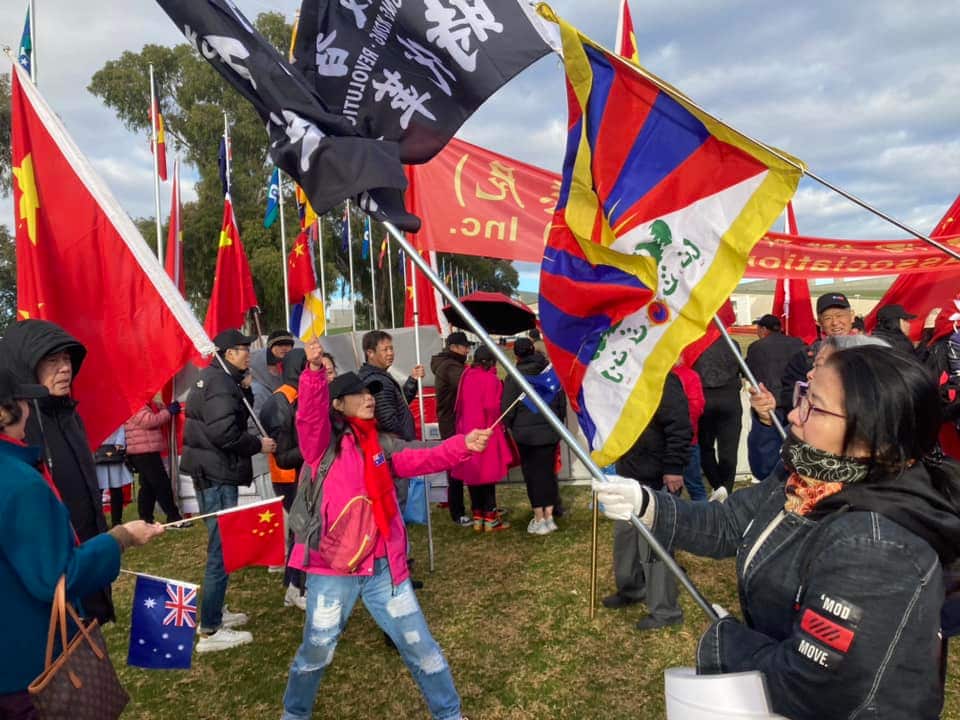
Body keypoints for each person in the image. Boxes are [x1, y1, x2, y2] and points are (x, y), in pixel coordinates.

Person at [595, 346, 960, 719]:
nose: (794, 415)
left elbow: (813, 685)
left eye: (814, 407)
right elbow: (731, 523)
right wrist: (648, 505)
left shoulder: (874, 548)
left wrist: (728, 642)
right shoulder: (806, 475)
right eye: (804, 393)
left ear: (876, 438)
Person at [281, 342, 490, 720]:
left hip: (384, 570)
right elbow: (308, 418)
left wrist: (464, 445)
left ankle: (450, 715)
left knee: (421, 649)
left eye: (369, 393)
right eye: (357, 394)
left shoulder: (382, 444)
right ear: (337, 405)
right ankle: (294, 715)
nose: (368, 398)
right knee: (315, 651)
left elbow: (421, 456)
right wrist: (312, 373)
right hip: (333, 571)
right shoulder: (321, 447)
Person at [0, 369, 163, 717]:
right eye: (24, 401)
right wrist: (120, 538)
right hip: (28, 666)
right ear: (6, 411)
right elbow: (58, 577)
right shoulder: (18, 482)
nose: (30, 409)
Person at [0, 319, 115, 624]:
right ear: (27, 366)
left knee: (90, 648)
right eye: (52, 360)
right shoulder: (20, 428)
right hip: (53, 576)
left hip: (85, 558)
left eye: (67, 360)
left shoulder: (70, 415)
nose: (65, 368)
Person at [181, 328, 277, 653]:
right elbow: (225, 432)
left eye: (247, 347)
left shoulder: (216, 380)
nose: (247, 353)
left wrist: (245, 390)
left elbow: (230, 416)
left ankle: (215, 610)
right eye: (241, 349)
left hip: (210, 471)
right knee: (220, 550)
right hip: (217, 473)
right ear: (226, 354)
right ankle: (210, 629)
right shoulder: (221, 383)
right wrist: (257, 444)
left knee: (220, 546)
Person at [602, 372, 691, 632]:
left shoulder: (664, 378)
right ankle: (631, 589)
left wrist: (674, 466)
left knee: (655, 544)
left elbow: (679, 426)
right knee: (625, 537)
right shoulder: (621, 378)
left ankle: (665, 610)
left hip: (657, 476)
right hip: (629, 473)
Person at [748, 335, 889, 481]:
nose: (809, 374)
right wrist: (766, 421)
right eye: (813, 366)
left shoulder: (875, 493)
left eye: (820, 366)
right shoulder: (806, 414)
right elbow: (767, 470)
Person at [259, 347, 308, 611]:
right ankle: (297, 587)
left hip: (298, 472)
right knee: (301, 531)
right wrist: (314, 448)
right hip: (289, 476)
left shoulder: (296, 395)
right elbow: (283, 453)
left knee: (299, 531)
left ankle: (293, 586)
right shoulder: (282, 400)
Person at [501, 338, 567, 535]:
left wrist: (514, 427)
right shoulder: (550, 374)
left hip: (526, 435)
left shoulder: (514, 377)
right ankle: (549, 516)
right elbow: (560, 403)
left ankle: (539, 518)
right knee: (547, 473)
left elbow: (507, 409)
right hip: (549, 431)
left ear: (517, 355)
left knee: (532, 476)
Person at [453, 345, 512, 532]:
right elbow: (492, 407)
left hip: (466, 429)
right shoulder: (490, 379)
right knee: (488, 475)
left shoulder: (466, 376)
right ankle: (490, 517)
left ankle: (477, 515)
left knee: (473, 475)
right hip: (486, 429)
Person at [780, 292, 855, 410]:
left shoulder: (872, 353)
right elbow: (790, 397)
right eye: (828, 318)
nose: (835, 322)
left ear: (852, 316)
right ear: (819, 322)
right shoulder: (805, 358)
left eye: (840, 315)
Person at [430, 331, 474, 527]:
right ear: (454, 347)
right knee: (455, 468)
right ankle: (458, 512)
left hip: (455, 422)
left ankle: (472, 507)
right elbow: (468, 385)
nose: (467, 350)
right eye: (465, 346)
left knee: (465, 465)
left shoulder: (451, 364)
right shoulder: (450, 367)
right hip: (452, 424)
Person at [693, 335, 743, 494]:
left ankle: (717, 485)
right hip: (729, 399)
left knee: (705, 446)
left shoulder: (694, 344)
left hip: (704, 398)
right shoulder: (731, 342)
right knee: (729, 449)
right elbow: (741, 369)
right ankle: (726, 488)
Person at [124, 397, 185, 525]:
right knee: (161, 484)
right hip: (144, 451)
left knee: (148, 487)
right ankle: (173, 517)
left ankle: (145, 518)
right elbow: (149, 421)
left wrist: (161, 408)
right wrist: (168, 412)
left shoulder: (144, 404)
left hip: (144, 450)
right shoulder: (134, 403)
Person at [745, 314, 804, 407]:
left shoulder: (756, 346)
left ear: (763, 329)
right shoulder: (798, 343)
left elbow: (748, 373)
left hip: (767, 400)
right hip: (795, 398)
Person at [672, 362, 706, 501]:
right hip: (689, 437)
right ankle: (705, 520)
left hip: (668, 439)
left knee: (669, 490)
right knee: (695, 486)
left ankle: (669, 520)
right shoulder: (691, 375)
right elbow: (698, 406)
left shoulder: (660, 374)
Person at [94, 425, 133, 528]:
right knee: (97, 491)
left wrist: (119, 443)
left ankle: (117, 521)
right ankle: (98, 521)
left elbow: (120, 425)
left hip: (113, 451)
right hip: (96, 452)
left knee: (116, 489)